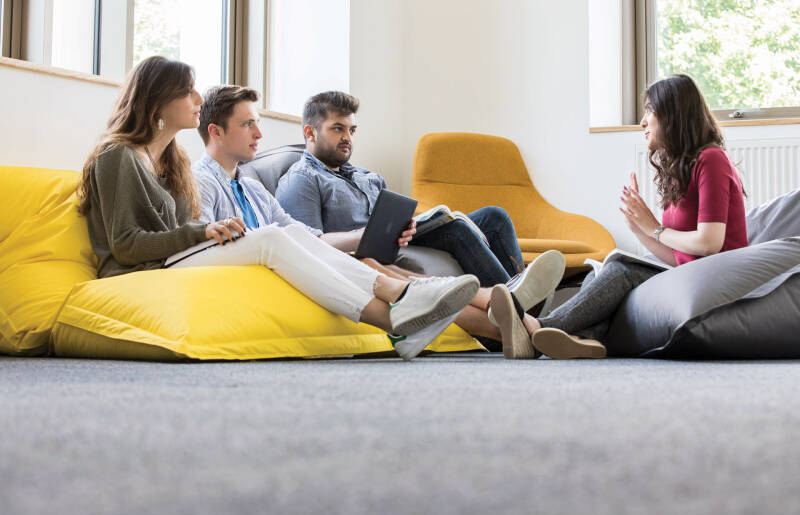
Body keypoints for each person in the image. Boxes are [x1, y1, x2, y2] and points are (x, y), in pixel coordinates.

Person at [76, 56, 481, 362]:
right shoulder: (118, 156)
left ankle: (399, 311)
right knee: (270, 237)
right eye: (187, 92)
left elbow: (179, 231)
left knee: (289, 232)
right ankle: (396, 308)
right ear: (156, 101)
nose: (198, 99)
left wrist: (202, 235)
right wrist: (201, 233)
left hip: (172, 259)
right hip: (140, 270)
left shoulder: (171, 161)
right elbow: (126, 245)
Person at [194, 84, 565, 358]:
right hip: (337, 256)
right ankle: (512, 306)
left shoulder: (254, 188)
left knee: (482, 221)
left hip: (362, 251)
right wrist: (359, 239)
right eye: (247, 124)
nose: (259, 134)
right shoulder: (214, 180)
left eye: (351, 130)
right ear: (216, 131)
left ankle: (519, 324)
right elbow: (208, 238)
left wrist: (386, 230)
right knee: (382, 263)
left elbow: (300, 235)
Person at [498, 74, 748, 359]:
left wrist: (654, 229)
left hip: (717, 277)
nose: (642, 122)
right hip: (692, 273)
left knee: (621, 272)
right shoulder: (683, 169)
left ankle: (540, 327)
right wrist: (638, 228)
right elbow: (678, 258)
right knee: (601, 272)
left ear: (672, 115)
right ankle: (583, 339)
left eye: (649, 111)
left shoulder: (711, 159)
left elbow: (709, 243)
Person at [275, 91, 528, 290]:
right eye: (338, 128)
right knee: (456, 229)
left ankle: (521, 293)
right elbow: (306, 243)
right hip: (361, 253)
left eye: (352, 130)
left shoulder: (367, 177)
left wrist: (408, 225)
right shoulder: (302, 179)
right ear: (310, 132)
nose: (348, 138)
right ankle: (514, 301)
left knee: (494, 216)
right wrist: (362, 235)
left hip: (396, 242)